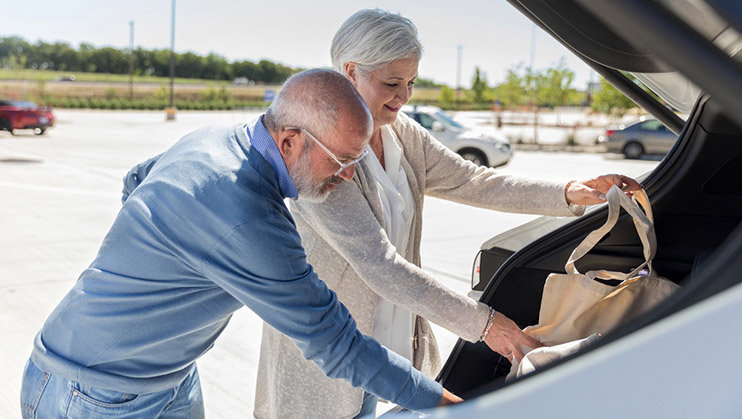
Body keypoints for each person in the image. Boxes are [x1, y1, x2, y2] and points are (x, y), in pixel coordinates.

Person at [253, 9, 643, 418]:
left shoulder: (403, 134)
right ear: (350, 72)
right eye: (391, 83)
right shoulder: (322, 155)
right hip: (331, 354)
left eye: (411, 83)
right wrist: (488, 325)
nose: (404, 97)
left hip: (391, 342)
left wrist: (570, 193)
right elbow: (380, 265)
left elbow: (476, 182)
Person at [19, 69, 462, 419]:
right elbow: (336, 344)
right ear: (290, 140)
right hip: (95, 393)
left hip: (168, 377)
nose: (348, 175)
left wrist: (156, 253)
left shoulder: (212, 140)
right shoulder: (251, 219)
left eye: (357, 160)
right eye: (342, 160)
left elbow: (136, 178)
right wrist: (453, 408)